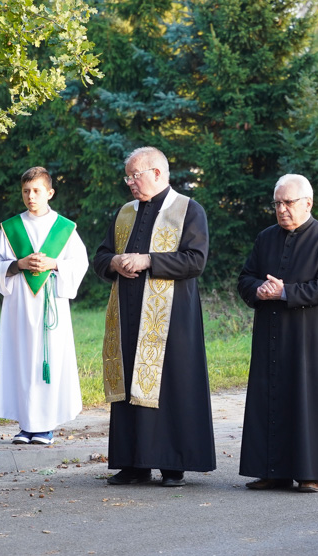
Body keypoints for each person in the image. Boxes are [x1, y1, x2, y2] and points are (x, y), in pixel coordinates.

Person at [93, 146, 216, 487]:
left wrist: (149, 260)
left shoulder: (188, 210)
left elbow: (195, 261)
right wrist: (115, 262)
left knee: (170, 387)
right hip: (127, 314)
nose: (130, 182)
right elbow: (101, 256)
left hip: (171, 318)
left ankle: (172, 464)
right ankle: (133, 463)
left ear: (158, 173)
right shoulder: (125, 213)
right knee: (129, 387)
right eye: (128, 176)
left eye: (136, 175)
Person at [237, 174, 318, 493]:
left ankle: (310, 472)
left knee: (306, 399)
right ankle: (272, 471)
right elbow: (245, 279)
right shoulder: (265, 238)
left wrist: (285, 292)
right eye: (278, 203)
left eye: (289, 203)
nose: (282, 209)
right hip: (270, 332)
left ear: (308, 203)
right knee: (269, 397)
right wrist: (261, 289)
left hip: (309, 337)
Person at [0, 167, 89, 446]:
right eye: (26, 191)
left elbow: (79, 264)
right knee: (20, 359)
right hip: (19, 304)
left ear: (50, 193)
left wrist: (54, 264)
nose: (31, 196)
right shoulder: (10, 228)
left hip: (50, 304)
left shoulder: (64, 228)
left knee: (49, 360)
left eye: (37, 191)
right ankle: (25, 425)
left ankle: (44, 426)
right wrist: (17, 264)